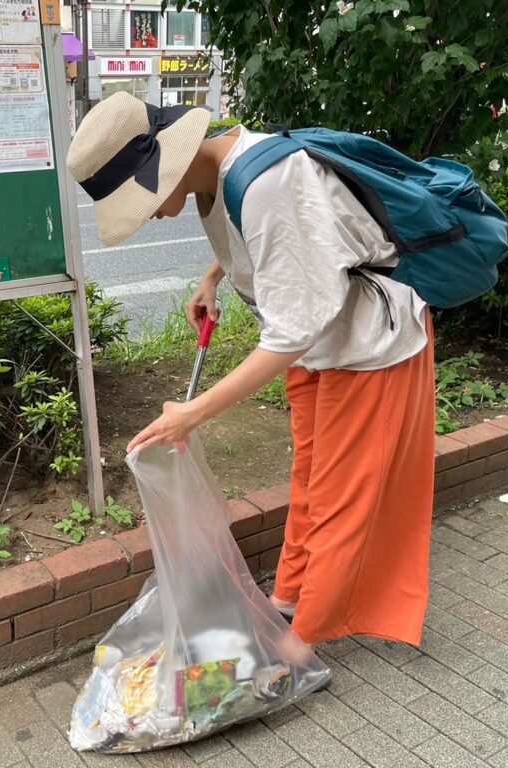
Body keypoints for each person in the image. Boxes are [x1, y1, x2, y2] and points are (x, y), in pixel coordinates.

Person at [67, 93, 435, 658]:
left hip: (366, 344)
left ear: (163, 163)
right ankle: (290, 596)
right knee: (311, 480)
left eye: (142, 200)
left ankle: (299, 646)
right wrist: (214, 276)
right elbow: (270, 240)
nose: (151, 216)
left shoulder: (269, 184)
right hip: (323, 344)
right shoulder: (224, 169)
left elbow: (288, 330)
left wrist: (196, 411)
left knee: (344, 497)